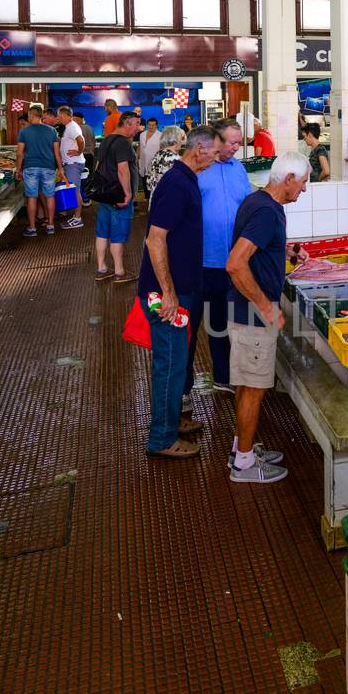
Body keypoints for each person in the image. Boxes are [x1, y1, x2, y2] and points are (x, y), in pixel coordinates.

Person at [225, 153, 311, 483]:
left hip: (242, 311)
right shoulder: (266, 212)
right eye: (302, 183)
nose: (303, 190)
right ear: (288, 178)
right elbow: (235, 264)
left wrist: (286, 253)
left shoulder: (259, 201)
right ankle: (243, 466)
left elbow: (257, 247)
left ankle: (241, 449)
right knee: (255, 389)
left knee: (246, 385)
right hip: (251, 315)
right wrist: (266, 307)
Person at [140, 126, 219, 459]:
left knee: (177, 361)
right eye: (214, 152)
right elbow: (155, 239)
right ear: (199, 149)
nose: (217, 158)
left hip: (182, 287)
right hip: (167, 295)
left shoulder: (186, 179)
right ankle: (161, 438)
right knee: (170, 364)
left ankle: (172, 422)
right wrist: (168, 293)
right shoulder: (176, 183)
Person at [197, 120, 254, 392]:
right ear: (216, 141)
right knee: (217, 320)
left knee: (241, 318)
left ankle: (244, 370)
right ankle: (222, 375)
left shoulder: (239, 168)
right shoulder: (199, 170)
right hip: (209, 259)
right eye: (232, 142)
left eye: (239, 141)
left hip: (240, 258)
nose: (237, 146)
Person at [92, 112, 141, 282]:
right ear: (127, 123)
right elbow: (123, 170)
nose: (138, 128)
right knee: (118, 234)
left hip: (105, 194)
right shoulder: (123, 143)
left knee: (102, 232)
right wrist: (127, 194)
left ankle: (101, 268)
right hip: (118, 195)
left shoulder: (107, 140)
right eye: (136, 124)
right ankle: (119, 272)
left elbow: (98, 166)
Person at [14, 105, 63, 237]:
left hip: (30, 167)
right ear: (41, 115)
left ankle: (32, 228)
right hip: (49, 167)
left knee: (32, 197)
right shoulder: (52, 131)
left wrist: (18, 169)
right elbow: (57, 152)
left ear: (31, 115)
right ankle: (51, 226)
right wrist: (60, 168)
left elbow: (19, 153)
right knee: (50, 196)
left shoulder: (24, 131)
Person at [56, 106, 86, 230]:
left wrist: (79, 151)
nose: (59, 118)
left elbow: (81, 140)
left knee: (75, 191)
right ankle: (75, 216)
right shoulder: (69, 127)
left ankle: (78, 218)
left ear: (67, 116)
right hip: (71, 163)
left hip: (73, 164)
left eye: (61, 116)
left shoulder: (72, 126)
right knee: (74, 190)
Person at [145, 125, 186, 199]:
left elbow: (149, 184)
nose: (182, 142)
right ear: (175, 140)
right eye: (181, 138)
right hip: (168, 202)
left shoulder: (157, 155)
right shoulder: (176, 159)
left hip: (155, 200)